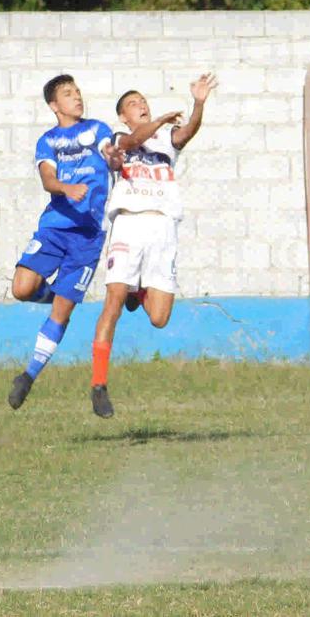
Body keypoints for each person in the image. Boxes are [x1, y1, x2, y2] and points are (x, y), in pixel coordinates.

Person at [87, 73, 218, 418]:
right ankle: (98, 385)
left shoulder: (165, 140)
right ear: (123, 116)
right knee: (114, 300)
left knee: (159, 318)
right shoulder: (119, 138)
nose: (141, 105)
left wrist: (198, 104)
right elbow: (131, 143)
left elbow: (187, 131)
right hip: (129, 223)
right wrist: (158, 120)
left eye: (143, 101)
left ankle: (140, 290)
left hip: (163, 227)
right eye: (133, 103)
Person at [7, 74, 120, 410]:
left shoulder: (97, 129)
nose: (77, 97)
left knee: (62, 311)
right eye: (68, 94)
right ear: (54, 105)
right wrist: (65, 188)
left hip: (88, 236)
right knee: (22, 288)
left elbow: (109, 150)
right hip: (54, 228)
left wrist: (114, 156)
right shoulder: (48, 140)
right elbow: (47, 178)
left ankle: (28, 376)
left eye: (78, 92)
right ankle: (57, 295)